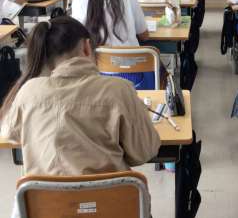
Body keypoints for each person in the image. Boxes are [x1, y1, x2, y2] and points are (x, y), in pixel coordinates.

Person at [0, 16, 161, 177]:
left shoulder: (29, 92)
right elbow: (144, 152)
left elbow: (9, 134)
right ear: (86, 47)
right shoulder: (119, 90)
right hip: (110, 193)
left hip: (44, 194)